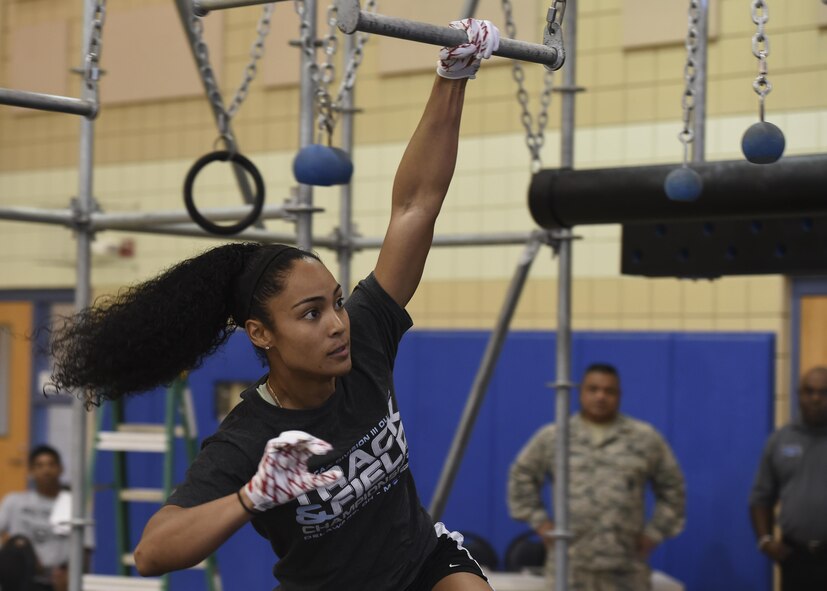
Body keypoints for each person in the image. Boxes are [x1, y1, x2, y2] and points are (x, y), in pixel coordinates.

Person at [46, 19, 500, 591]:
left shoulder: (365, 338)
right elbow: (152, 553)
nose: (337, 325)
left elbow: (415, 206)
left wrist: (453, 76)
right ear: (261, 333)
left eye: (336, 303)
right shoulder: (250, 438)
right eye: (311, 314)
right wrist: (250, 495)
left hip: (421, 566)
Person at [507, 363, 686, 591]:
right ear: (580, 392)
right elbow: (521, 476)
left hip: (625, 569)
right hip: (570, 567)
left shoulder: (644, 438)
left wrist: (655, 533)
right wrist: (540, 522)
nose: (601, 397)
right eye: (593, 389)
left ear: (619, 395)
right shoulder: (555, 436)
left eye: (609, 391)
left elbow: (673, 488)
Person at [749, 365, 827, 591]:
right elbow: (760, 497)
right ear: (799, 395)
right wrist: (765, 540)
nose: (816, 398)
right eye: (809, 391)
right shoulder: (780, 440)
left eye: (823, 392)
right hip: (795, 557)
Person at [0, 445, 92, 591]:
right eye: (39, 465)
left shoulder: (74, 506)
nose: (46, 470)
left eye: (51, 464)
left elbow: (86, 549)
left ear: (61, 469)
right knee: (19, 543)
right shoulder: (14, 502)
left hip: (56, 580)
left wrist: (73, 576)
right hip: (21, 577)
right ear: (31, 471)